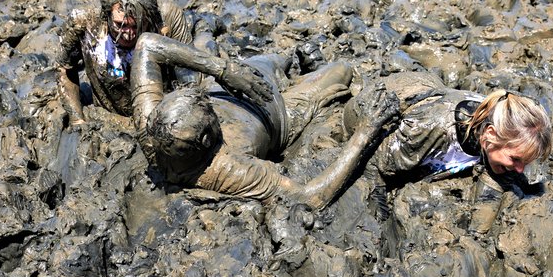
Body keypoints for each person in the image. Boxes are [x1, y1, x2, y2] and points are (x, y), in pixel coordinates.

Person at [129, 33, 400, 210]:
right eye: (208, 110)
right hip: (280, 112)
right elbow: (310, 198)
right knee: (341, 69)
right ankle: (302, 67)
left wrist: (223, 70)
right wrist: (365, 132)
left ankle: (290, 59)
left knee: (271, 60)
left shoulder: (150, 128)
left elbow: (148, 45)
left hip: (238, 79)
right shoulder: (227, 169)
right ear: (207, 140)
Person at [56, 0, 272, 125]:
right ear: (106, 15)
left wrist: (163, 43)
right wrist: (77, 120)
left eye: (135, 27)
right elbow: (65, 69)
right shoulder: (83, 22)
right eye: (119, 25)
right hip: (111, 110)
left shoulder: (166, 16)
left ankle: (205, 25)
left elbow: (189, 80)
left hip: (158, 109)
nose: (128, 34)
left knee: (204, 49)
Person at [343, 71, 553, 190]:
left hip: (429, 89)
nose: (520, 169)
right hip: (374, 106)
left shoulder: (498, 126)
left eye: (525, 163)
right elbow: (373, 170)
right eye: (516, 159)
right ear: (489, 134)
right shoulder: (427, 129)